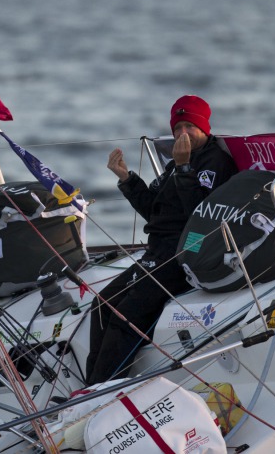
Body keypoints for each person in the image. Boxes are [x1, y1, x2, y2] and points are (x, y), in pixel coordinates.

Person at [85, 94, 237, 385]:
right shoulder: (176, 163)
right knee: (102, 304)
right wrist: (127, 179)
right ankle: (90, 386)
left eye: (189, 127)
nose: (182, 134)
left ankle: (100, 390)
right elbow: (154, 212)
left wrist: (183, 168)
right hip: (158, 251)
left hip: (185, 252)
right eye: (177, 127)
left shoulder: (214, 162)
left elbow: (200, 214)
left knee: (127, 314)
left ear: (204, 128)